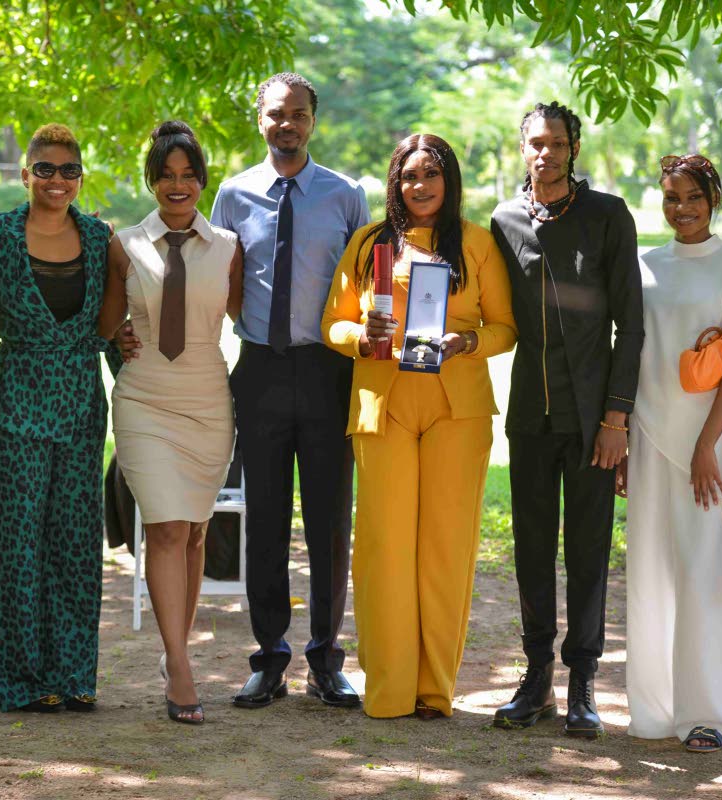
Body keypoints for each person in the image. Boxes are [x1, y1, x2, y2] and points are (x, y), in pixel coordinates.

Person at [322, 134, 516, 719]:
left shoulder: (477, 244)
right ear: (395, 182)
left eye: (432, 174)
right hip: (383, 404)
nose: (421, 185)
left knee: (445, 550)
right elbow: (333, 323)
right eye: (410, 175)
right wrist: (362, 336)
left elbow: (505, 327)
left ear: (449, 181)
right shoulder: (368, 244)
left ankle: (435, 690)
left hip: (457, 409)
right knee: (383, 548)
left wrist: (469, 340)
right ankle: (389, 690)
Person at [210, 72, 370, 710]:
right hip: (260, 370)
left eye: (299, 114)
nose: (288, 124)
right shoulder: (232, 194)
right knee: (265, 518)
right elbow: (222, 280)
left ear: (313, 119)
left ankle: (327, 661)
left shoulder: (346, 196)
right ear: (261, 117)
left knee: (330, 521)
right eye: (277, 113)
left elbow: (364, 281)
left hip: (330, 371)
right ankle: (269, 657)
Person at [489, 102, 643, 735]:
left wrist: (617, 417)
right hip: (529, 413)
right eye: (535, 144)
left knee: (586, 551)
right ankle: (536, 680)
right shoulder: (503, 221)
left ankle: (583, 684)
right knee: (530, 550)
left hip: (591, 418)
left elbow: (630, 324)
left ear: (574, 146)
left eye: (556, 142)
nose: (545, 153)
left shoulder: (607, 215)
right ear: (522, 148)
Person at [621, 154, 722, 752]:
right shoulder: (642, 266)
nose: (681, 208)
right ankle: (657, 711)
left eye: (692, 197)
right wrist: (629, 436)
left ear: (713, 199)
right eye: (670, 198)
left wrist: (707, 445)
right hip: (649, 436)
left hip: (709, 442)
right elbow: (634, 355)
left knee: (704, 572)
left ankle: (709, 714)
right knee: (653, 573)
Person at [98, 121, 244, 724]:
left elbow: (251, 318)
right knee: (163, 527)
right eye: (166, 176)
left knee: (193, 533)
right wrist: (118, 332)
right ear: (152, 182)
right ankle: (181, 666)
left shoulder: (230, 246)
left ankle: (174, 653)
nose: (177, 186)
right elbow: (104, 322)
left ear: (202, 181)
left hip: (208, 400)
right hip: (145, 399)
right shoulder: (122, 244)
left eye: (187, 176)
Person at [0, 124, 113, 714]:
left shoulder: (101, 239)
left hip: (82, 406)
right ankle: (20, 680)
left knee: (77, 547)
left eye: (69, 171)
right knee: (16, 549)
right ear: (25, 174)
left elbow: (116, 321)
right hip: (16, 409)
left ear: (80, 179)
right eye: (46, 169)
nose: (58, 180)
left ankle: (73, 674)